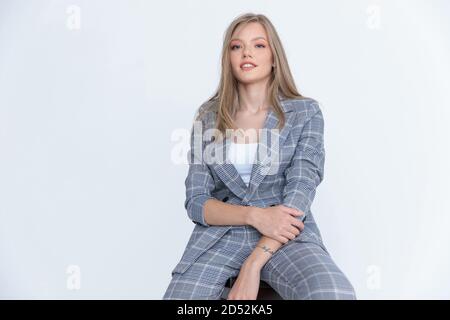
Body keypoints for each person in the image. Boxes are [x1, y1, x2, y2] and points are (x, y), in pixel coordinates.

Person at [163, 13, 356, 300]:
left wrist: (252, 265)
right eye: (236, 46)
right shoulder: (208, 118)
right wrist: (255, 215)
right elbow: (197, 202)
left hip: (285, 236)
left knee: (332, 291)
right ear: (228, 57)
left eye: (259, 45)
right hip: (220, 237)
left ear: (274, 56)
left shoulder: (305, 113)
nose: (247, 53)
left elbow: (301, 189)